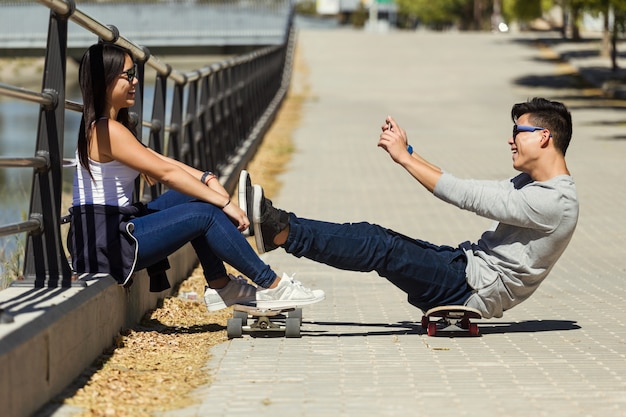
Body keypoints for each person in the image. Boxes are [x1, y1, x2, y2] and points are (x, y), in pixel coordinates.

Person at [243, 97, 578, 319]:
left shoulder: (553, 202)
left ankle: (280, 230)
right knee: (379, 242)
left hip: (468, 288)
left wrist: (403, 158)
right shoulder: (535, 186)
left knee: (377, 244)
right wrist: (409, 152)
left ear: (543, 136)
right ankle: (278, 231)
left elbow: (467, 196)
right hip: (463, 270)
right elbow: (467, 185)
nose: (511, 139)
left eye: (518, 131)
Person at [66, 42, 324, 311]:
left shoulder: (109, 127)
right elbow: (165, 172)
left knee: (193, 197)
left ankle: (220, 284)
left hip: (111, 231)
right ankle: (272, 285)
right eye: (128, 75)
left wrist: (206, 179)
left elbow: (161, 160)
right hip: (107, 244)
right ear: (104, 79)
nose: (136, 81)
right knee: (204, 213)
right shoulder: (106, 130)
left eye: (135, 74)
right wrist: (223, 203)